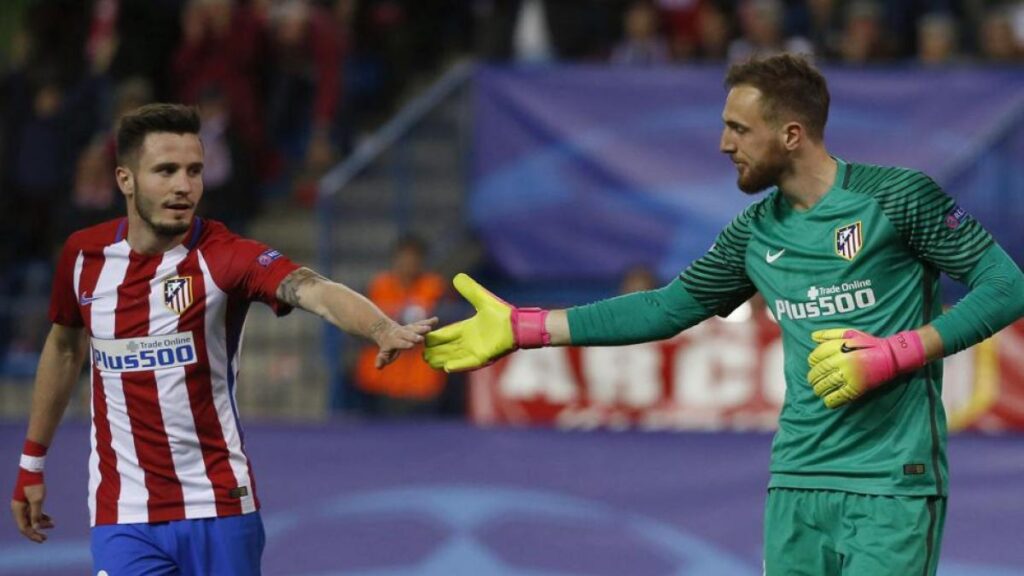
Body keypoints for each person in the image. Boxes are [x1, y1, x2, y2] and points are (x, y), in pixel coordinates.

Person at [424, 54, 1024, 575]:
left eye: (739, 129)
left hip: (892, 481)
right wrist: (524, 327)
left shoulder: (896, 199)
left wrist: (898, 351)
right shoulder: (753, 234)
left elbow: (1006, 285)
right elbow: (666, 308)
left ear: (791, 134)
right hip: (797, 481)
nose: (723, 144)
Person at [9, 103, 435, 574]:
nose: (182, 186)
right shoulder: (84, 256)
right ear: (125, 179)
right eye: (165, 171)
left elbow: (313, 288)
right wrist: (32, 462)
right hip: (123, 513)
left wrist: (379, 328)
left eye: (194, 171)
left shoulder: (223, 256)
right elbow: (65, 348)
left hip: (220, 506)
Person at [355, 234, 447, 416]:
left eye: (414, 258)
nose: (408, 263)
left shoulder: (435, 287)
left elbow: (445, 325)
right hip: (381, 382)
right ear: (394, 259)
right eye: (404, 258)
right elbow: (361, 326)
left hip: (422, 383)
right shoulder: (378, 285)